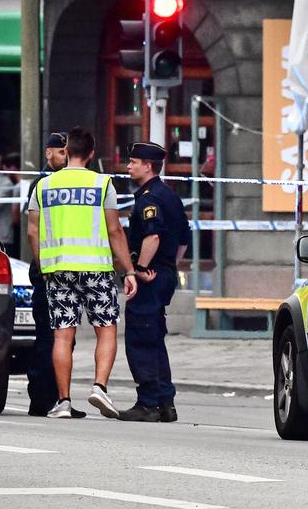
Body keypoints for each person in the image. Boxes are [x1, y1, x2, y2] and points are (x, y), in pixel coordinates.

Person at [26, 127, 137, 419]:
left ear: (67, 151)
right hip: (96, 268)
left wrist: (42, 265)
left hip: (58, 269)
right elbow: (114, 230)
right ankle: (99, 387)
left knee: (62, 336)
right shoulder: (102, 184)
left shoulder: (44, 185)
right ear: (91, 153)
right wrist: (129, 270)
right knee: (107, 329)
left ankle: (62, 400)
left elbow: (33, 231)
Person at [120, 142, 191, 422]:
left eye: (133, 162)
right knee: (155, 338)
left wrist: (140, 268)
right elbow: (184, 240)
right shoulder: (170, 196)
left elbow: (153, 236)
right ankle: (165, 402)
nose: (128, 166)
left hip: (149, 277)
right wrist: (169, 267)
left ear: (147, 166)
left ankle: (148, 402)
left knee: (141, 338)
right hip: (164, 275)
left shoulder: (149, 198)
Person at [23, 133, 74, 416]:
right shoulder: (41, 184)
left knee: (64, 338)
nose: (64, 156)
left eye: (68, 151)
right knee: (47, 338)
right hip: (46, 272)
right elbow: (34, 231)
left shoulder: (71, 185)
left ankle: (60, 398)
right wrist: (42, 267)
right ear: (48, 153)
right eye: (60, 151)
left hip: (67, 272)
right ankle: (41, 399)